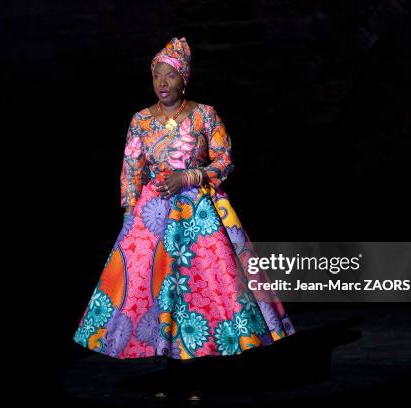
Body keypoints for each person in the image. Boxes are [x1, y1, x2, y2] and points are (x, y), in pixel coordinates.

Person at [73, 37, 297, 402]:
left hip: (199, 216)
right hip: (153, 217)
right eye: (157, 76)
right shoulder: (141, 120)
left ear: (184, 79)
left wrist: (189, 176)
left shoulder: (204, 115)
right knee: (154, 292)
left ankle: (194, 371)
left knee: (196, 291)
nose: (162, 83)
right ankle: (169, 370)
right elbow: (131, 168)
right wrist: (130, 216)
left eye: (170, 76)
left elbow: (224, 161)